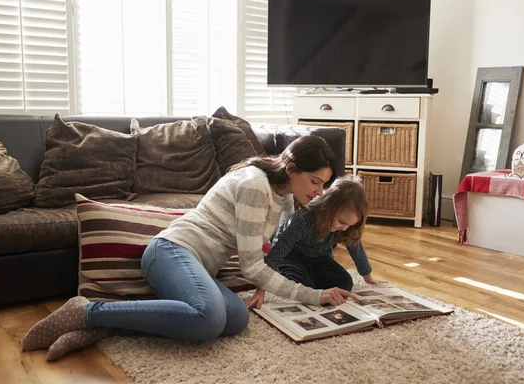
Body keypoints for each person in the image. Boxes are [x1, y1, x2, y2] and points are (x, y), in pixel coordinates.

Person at [21, 135, 359, 361]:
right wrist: (314, 295)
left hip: (199, 267)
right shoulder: (255, 186)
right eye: (315, 182)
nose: (318, 192)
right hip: (171, 251)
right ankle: (87, 311)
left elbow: (268, 250)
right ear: (292, 169)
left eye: (324, 184)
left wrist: (264, 286)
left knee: (236, 318)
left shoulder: (285, 196)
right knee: (209, 319)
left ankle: (106, 328)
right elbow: (251, 266)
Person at [246, 175, 385, 309]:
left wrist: (368, 277)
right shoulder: (303, 219)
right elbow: (278, 252)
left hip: (320, 257)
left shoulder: (344, 228)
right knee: (302, 287)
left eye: (349, 225)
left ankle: (313, 281)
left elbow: (356, 250)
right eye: (342, 222)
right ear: (328, 208)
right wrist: (261, 289)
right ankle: (298, 278)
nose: (344, 227)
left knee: (345, 282)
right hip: (292, 256)